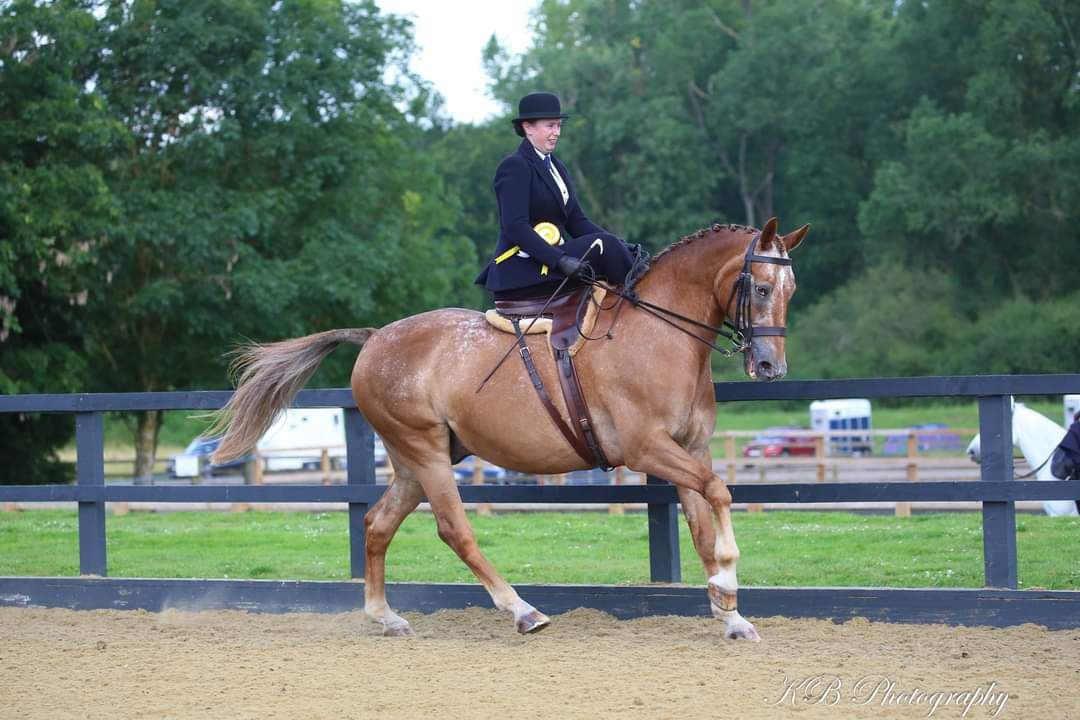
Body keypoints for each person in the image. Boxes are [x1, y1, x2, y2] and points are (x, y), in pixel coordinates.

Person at [475, 91, 645, 300]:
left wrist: (622, 245)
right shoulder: (514, 166)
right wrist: (560, 260)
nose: (557, 132)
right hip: (522, 267)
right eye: (550, 126)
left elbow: (576, 221)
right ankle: (644, 297)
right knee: (604, 245)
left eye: (559, 126)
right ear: (528, 127)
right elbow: (515, 226)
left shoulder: (556, 166)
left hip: (551, 259)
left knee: (613, 245)